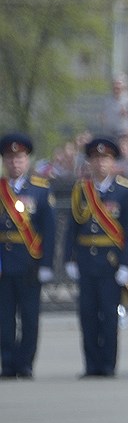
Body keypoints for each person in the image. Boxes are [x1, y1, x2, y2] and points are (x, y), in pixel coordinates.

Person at [64, 138, 128, 378]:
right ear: (90, 162)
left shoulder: (124, 191)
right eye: (96, 159)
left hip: (111, 262)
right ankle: (91, 364)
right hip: (86, 260)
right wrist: (69, 259)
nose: (100, 163)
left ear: (113, 162)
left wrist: (127, 264)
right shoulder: (81, 190)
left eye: (105, 158)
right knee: (87, 314)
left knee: (108, 315)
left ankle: (108, 364)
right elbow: (72, 228)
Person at [0, 134, 56, 379]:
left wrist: (46, 264)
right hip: (3, 262)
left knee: (30, 317)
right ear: (4, 161)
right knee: (4, 318)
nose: (15, 163)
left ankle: (25, 363)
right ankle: (8, 364)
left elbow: (49, 230)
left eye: (19, 158)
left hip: (29, 263)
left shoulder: (40, 190)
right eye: (10, 158)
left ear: (28, 160)